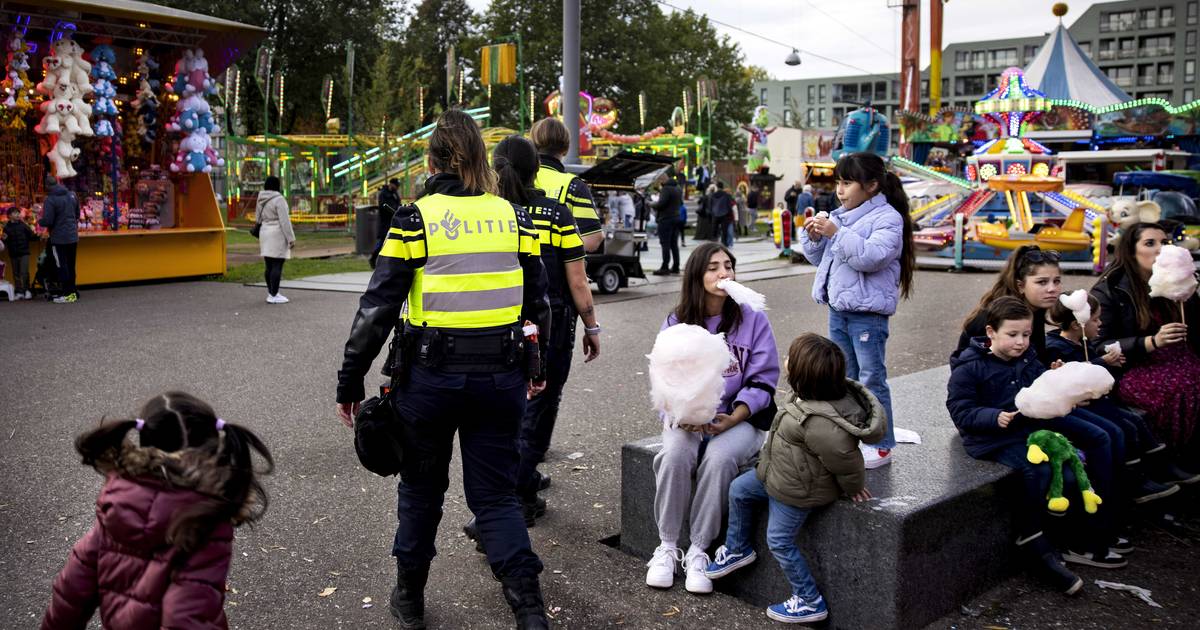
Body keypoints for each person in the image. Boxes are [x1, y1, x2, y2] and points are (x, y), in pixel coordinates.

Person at [335, 110, 553, 630]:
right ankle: (529, 608)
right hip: (500, 378)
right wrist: (535, 364)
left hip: (429, 380)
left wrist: (350, 379)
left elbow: (378, 306)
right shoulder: (512, 217)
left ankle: (409, 598)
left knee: (421, 490)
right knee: (496, 496)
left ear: (432, 159)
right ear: (482, 158)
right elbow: (536, 302)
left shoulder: (415, 217)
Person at [40, 391, 273, 629]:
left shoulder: (117, 502)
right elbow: (187, 616)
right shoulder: (206, 516)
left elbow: (72, 591)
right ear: (212, 443)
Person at [947, 297, 1125, 595]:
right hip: (993, 438)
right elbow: (960, 409)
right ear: (991, 332)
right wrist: (994, 417)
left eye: (1026, 335)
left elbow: (1039, 391)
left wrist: (1057, 382)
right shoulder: (970, 367)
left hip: (1029, 430)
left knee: (1069, 472)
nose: (1021, 342)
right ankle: (1032, 541)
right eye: (1012, 335)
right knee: (1037, 470)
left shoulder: (1028, 358)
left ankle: (1070, 536)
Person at [469, 135, 601, 534]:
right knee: (542, 404)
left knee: (503, 412)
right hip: (552, 321)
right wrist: (592, 326)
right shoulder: (555, 212)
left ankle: (518, 486)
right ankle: (515, 497)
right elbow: (578, 281)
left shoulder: (486, 212)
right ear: (535, 170)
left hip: (497, 322)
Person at [703, 333, 883, 624]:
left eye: (790, 359)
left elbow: (846, 460)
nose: (785, 362)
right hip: (775, 474)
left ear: (804, 375)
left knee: (779, 540)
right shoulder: (806, 397)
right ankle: (738, 549)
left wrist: (854, 487)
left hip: (798, 492)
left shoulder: (822, 423)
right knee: (738, 489)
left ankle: (809, 600)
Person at [646, 242, 780, 595]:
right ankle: (667, 546)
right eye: (714, 267)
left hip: (741, 419)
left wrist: (732, 418)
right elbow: (662, 379)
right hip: (687, 418)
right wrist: (681, 413)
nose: (724, 274)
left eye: (728, 266)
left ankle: (699, 550)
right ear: (697, 275)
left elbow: (764, 380)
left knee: (719, 458)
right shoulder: (677, 320)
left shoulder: (752, 318)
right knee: (675, 455)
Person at [798, 152, 915, 469]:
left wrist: (836, 232)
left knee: (872, 378)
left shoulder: (888, 219)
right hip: (839, 308)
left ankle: (881, 444)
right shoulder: (843, 215)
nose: (840, 189)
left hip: (868, 313)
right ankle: (852, 435)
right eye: (839, 182)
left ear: (872, 185)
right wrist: (813, 238)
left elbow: (871, 257)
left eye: (847, 183)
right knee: (843, 377)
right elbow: (821, 259)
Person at [1046, 294, 1198, 488]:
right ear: (1077, 325)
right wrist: (1103, 361)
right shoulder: (1056, 348)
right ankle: (1134, 481)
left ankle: (1161, 467)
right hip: (1087, 406)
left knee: (1136, 420)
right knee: (1125, 428)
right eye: (1095, 319)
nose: (1100, 323)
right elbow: (1075, 372)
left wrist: (1113, 364)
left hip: (1101, 400)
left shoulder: (1084, 342)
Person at [1091, 222, 1200, 457]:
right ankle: (1169, 454)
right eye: (1150, 243)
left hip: (1181, 357)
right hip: (1134, 366)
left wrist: (1191, 296)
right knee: (1178, 386)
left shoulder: (1178, 285)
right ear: (1131, 251)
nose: (1160, 249)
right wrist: (1152, 341)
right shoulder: (1110, 290)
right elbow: (1098, 345)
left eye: (1165, 243)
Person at [955, 245, 1063, 365]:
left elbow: (1036, 357)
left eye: (1056, 281)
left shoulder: (1035, 309)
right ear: (1020, 286)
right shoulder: (1000, 315)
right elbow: (971, 368)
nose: (1052, 289)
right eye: (1042, 282)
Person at [531, 117, 603, 253]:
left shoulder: (514, 180)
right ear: (566, 148)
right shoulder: (574, 186)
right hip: (557, 271)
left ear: (533, 146)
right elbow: (593, 240)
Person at [38, 175, 80, 303]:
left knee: (62, 265)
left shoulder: (50, 199)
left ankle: (67, 294)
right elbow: (77, 214)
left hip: (59, 238)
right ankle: (73, 292)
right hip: (73, 236)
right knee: (71, 265)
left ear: (47, 187)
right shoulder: (72, 195)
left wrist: (40, 221)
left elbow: (48, 220)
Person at [256, 176, 295, 304]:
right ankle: (274, 294)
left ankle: (270, 292)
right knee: (277, 264)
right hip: (277, 233)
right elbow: (285, 221)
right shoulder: (279, 200)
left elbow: (258, 219)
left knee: (268, 265)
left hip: (265, 232)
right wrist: (291, 238)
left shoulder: (260, 199)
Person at [650, 168, 683, 275]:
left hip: (666, 219)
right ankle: (676, 266)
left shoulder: (666, 189)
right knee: (674, 244)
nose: (659, 183)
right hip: (676, 218)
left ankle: (665, 267)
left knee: (665, 244)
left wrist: (651, 204)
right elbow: (681, 203)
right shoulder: (677, 188)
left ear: (662, 179)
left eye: (659, 180)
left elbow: (661, 204)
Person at [3, 207, 35, 299]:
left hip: (24, 251)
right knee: (16, 273)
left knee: (24, 272)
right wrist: (3, 239)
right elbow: (5, 240)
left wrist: (37, 235)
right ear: (9, 216)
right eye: (15, 213)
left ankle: (27, 290)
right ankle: (19, 291)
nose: (18, 215)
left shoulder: (23, 225)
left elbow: (31, 235)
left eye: (18, 213)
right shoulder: (6, 228)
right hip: (13, 253)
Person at [372, 178, 402, 268]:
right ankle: (373, 258)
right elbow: (383, 206)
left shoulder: (395, 194)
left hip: (393, 220)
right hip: (385, 221)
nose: (397, 188)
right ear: (391, 184)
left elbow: (398, 204)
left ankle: (388, 262)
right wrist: (393, 210)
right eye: (395, 185)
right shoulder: (383, 194)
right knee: (381, 241)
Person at [709, 181, 736, 248]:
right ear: (723, 187)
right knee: (724, 231)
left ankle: (714, 242)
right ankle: (724, 244)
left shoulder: (713, 195)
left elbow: (710, 205)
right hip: (725, 214)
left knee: (714, 230)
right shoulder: (726, 195)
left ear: (717, 187)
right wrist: (729, 214)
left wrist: (712, 213)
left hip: (715, 214)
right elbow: (729, 206)